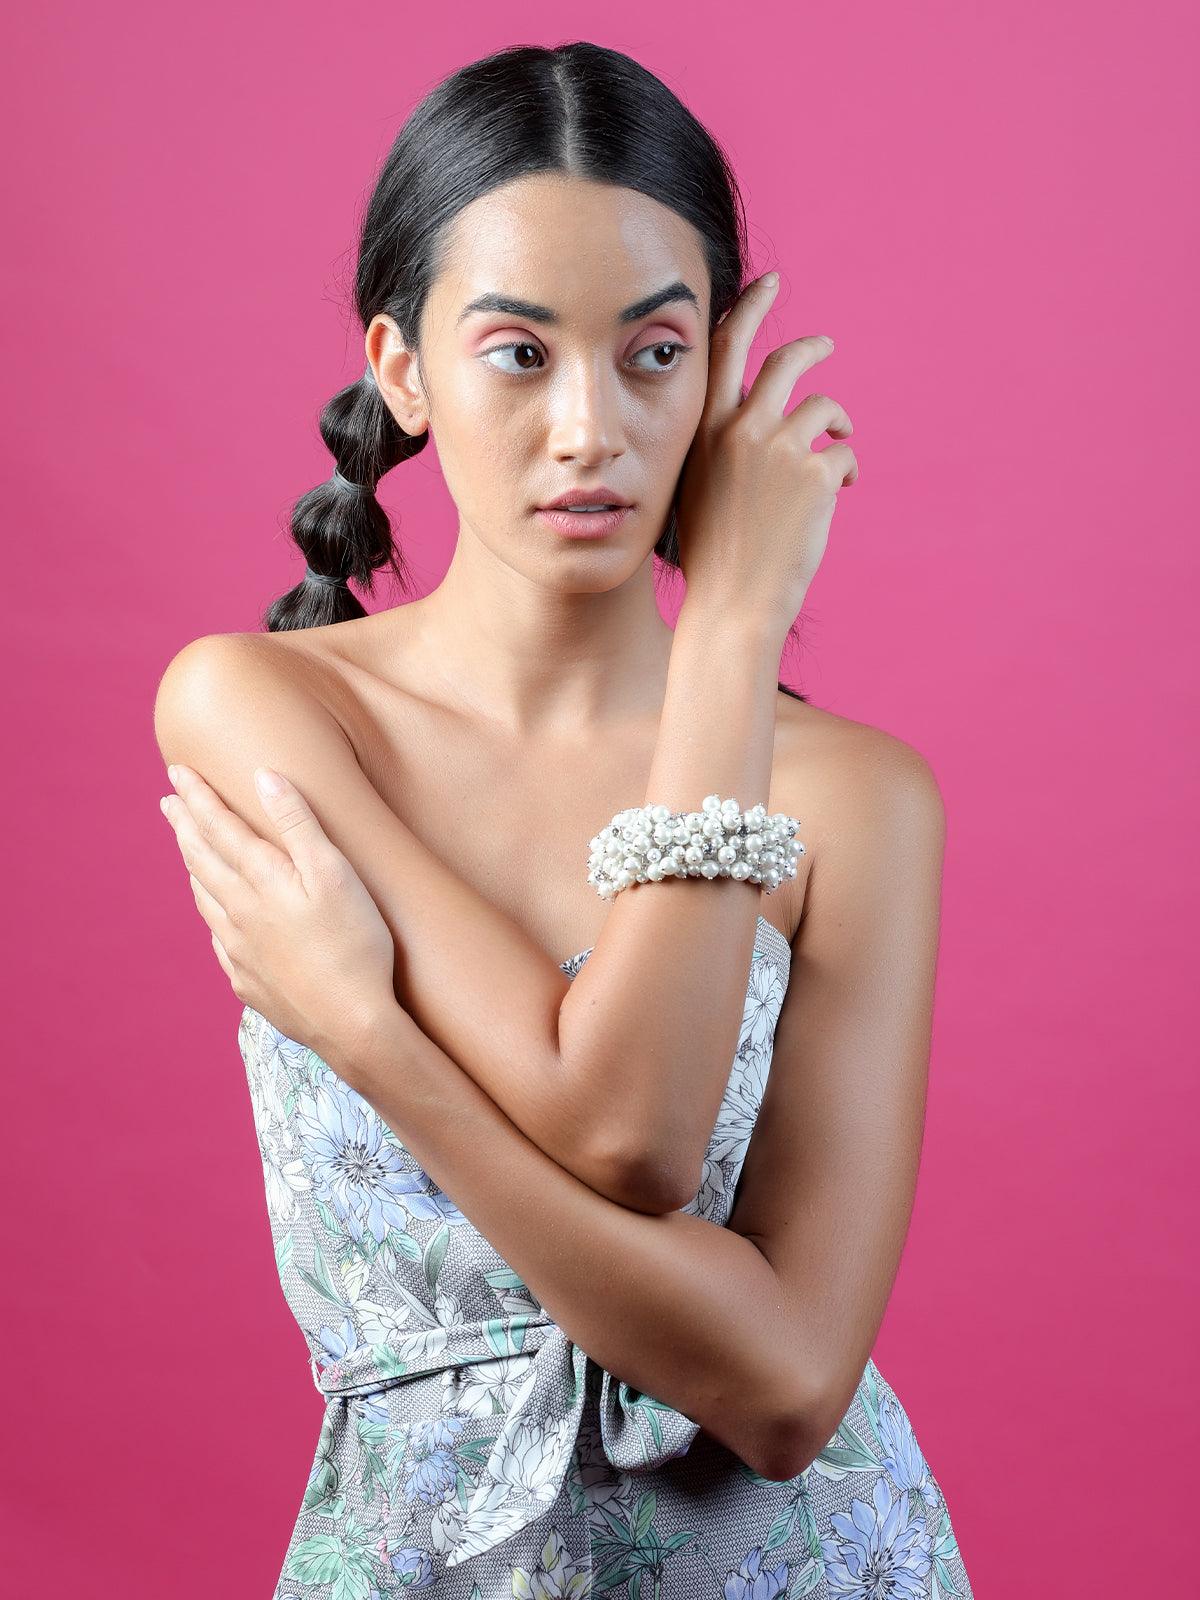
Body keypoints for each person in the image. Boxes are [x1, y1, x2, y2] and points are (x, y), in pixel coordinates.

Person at [153, 39, 974, 1600]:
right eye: (520, 353)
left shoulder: (859, 800)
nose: (590, 426)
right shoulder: (271, 707)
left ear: (721, 373)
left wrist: (371, 1037)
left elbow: (785, 1380)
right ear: (403, 369)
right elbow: (624, 1139)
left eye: (653, 353)